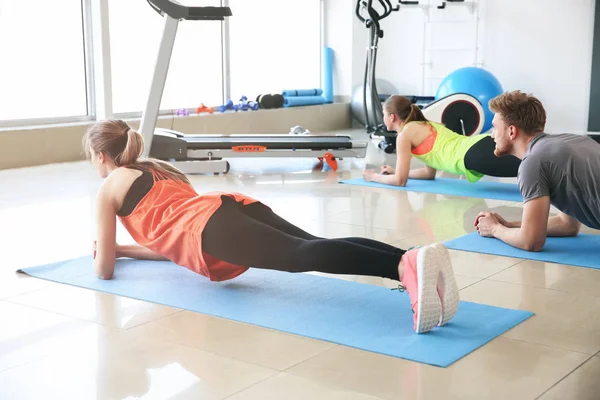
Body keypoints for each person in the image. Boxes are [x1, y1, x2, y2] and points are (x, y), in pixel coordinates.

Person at [84, 119, 460, 334]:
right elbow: (168, 242)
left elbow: (103, 271)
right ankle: (412, 258)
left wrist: (107, 252)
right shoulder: (158, 169)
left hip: (209, 230)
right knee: (314, 244)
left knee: (301, 255)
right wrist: (123, 248)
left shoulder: (108, 188)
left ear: (101, 156)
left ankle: (401, 268)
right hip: (224, 207)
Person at [475, 90, 600, 251]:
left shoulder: (533, 162)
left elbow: (531, 241)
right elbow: (567, 225)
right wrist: (509, 225)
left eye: (494, 128)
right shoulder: (572, 141)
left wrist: (494, 229)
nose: (492, 135)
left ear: (512, 131)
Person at [362, 95, 522, 186]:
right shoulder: (422, 125)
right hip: (478, 148)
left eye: (384, 114)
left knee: (535, 165)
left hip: (474, 155)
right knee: (535, 160)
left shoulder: (405, 135)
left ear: (392, 117)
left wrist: (374, 177)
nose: (383, 118)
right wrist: (394, 172)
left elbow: (400, 180)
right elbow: (428, 173)